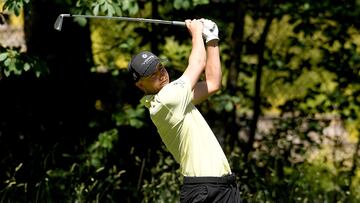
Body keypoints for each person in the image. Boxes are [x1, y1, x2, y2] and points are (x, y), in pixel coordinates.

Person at [128, 19, 241, 203]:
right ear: (140, 84)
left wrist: (212, 40)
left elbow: (213, 84)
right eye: (152, 74)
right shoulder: (167, 100)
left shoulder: (176, 98)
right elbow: (198, 63)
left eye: (160, 67)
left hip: (223, 187)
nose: (161, 73)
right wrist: (196, 31)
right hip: (204, 190)